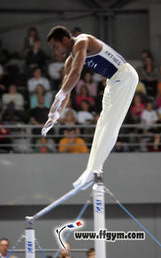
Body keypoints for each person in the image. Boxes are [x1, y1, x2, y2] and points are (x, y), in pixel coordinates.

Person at [41, 26, 138, 189]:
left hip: (125, 75)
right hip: (112, 81)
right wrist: (55, 114)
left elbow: (76, 74)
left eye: (55, 46)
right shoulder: (69, 61)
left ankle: (93, 170)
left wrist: (59, 95)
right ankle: (92, 170)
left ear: (65, 40)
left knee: (109, 124)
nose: (55, 51)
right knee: (101, 124)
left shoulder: (82, 41)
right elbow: (67, 90)